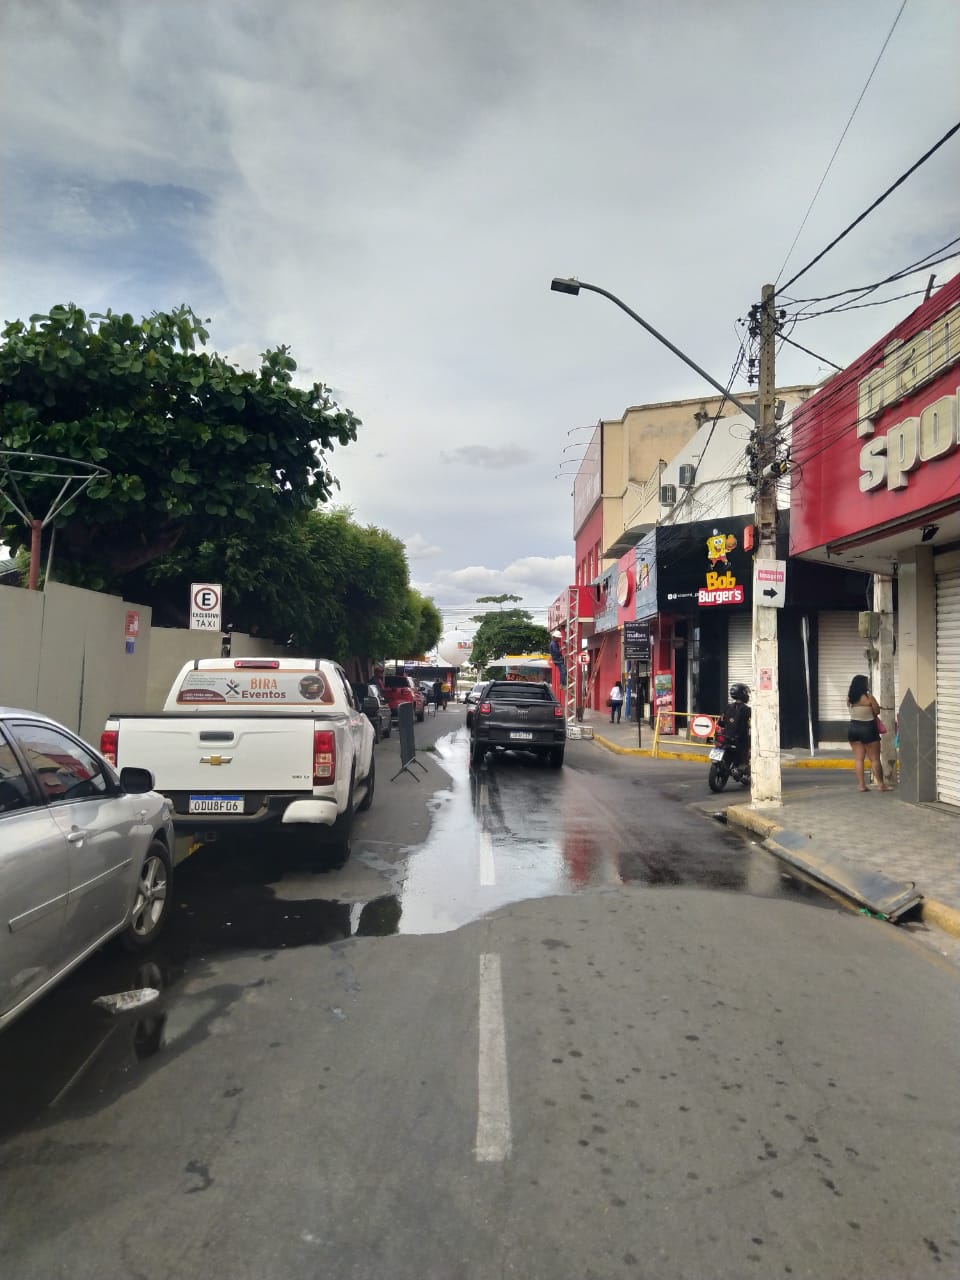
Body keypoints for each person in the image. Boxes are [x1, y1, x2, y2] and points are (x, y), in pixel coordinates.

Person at [847, 673, 888, 792]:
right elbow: (877, 711)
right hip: (868, 728)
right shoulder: (869, 697)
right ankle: (881, 785)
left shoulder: (849, 698)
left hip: (853, 728)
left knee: (858, 759)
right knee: (874, 759)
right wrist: (874, 707)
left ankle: (861, 786)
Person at [720, 683, 751, 765]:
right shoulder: (746, 709)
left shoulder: (728, 707)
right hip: (739, 739)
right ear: (743, 694)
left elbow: (721, 722)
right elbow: (749, 724)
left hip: (726, 737)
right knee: (749, 745)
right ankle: (743, 763)